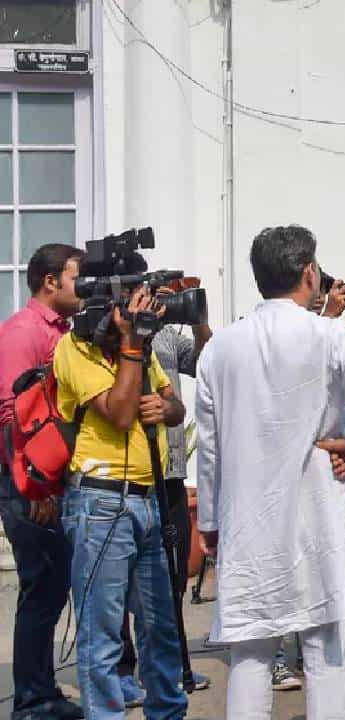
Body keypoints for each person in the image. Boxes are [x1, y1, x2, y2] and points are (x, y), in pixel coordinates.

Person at [196, 225, 345, 719]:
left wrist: (209, 519)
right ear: (310, 273)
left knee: (250, 654)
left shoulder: (221, 347)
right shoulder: (328, 334)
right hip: (318, 514)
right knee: (328, 651)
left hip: (248, 520)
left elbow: (209, 447)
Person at [53, 284, 188, 720]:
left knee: (160, 625)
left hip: (150, 500)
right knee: (103, 634)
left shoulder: (141, 348)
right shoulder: (74, 349)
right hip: (100, 502)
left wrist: (166, 410)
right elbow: (121, 413)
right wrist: (131, 345)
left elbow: (175, 406)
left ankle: (167, 711)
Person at [115, 300, 216, 706]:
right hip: (128, 472)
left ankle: (164, 668)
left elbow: (204, 364)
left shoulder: (167, 334)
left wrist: (200, 319)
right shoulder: (110, 331)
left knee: (170, 577)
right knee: (121, 582)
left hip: (170, 469)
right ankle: (123, 670)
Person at [0, 244, 85, 720]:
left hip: (51, 481)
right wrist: (36, 488)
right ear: (50, 281)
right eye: (77, 277)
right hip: (29, 483)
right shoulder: (22, 332)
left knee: (52, 588)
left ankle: (42, 689)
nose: (84, 286)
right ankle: (32, 702)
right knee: (41, 588)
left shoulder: (63, 333)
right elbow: (12, 417)